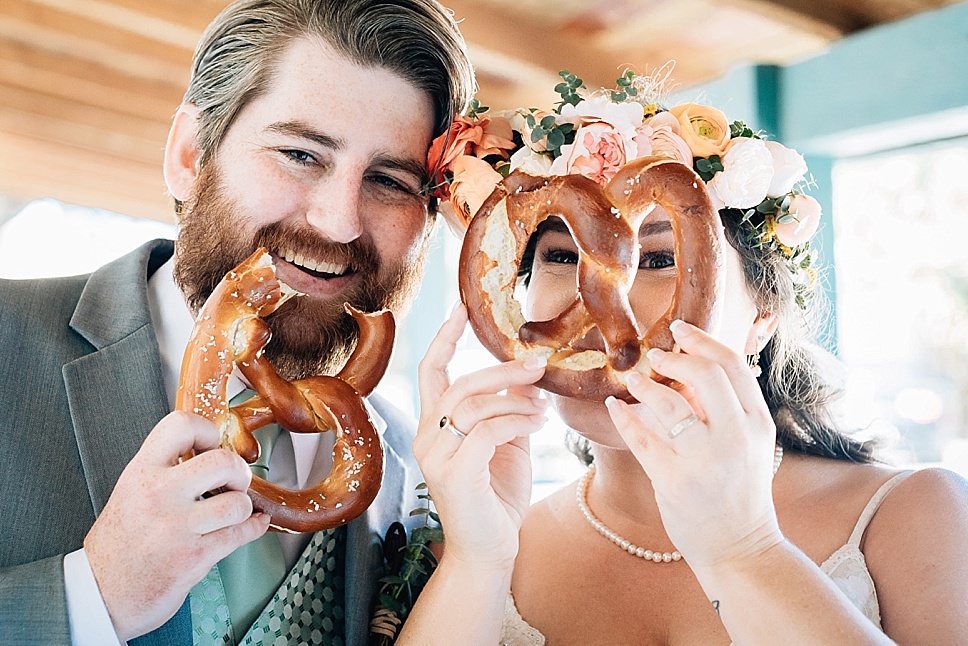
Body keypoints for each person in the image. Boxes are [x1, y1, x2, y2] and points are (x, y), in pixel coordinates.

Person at [399, 68, 968, 644]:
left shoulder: (914, 515)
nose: (597, 302)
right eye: (560, 257)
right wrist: (476, 562)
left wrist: (745, 550)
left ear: (762, 319)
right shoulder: (488, 537)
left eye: (659, 261)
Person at [0, 0, 475, 644]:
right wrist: (93, 592)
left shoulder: (424, 472)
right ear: (191, 156)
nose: (340, 221)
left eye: (391, 181)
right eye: (302, 155)